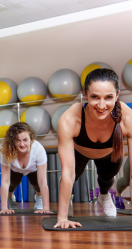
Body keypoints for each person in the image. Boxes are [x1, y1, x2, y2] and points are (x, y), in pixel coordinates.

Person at [54, 68, 132, 229]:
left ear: (117, 95)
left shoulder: (128, 117)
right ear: (85, 95)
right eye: (95, 97)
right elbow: (67, 173)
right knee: (70, 177)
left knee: (106, 180)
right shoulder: (69, 119)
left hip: (110, 154)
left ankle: (104, 196)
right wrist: (62, 217)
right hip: (79, 153)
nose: (102, 105)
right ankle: (66, 202)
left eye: (109, 97)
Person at [0, 122, 52, 214]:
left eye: (25, 140)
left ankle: (39, 198)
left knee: (38, 185)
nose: (22, 144)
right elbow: (5, 182)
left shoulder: (38, 149)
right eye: (18, 140)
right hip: (15, 170)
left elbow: (43, 181)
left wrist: (46, 208)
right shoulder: (7, 152)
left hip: (33, 170)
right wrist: (4, 208)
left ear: (31, 139)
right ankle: (11, 198)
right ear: (12, 141)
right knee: (11, 186)